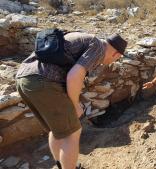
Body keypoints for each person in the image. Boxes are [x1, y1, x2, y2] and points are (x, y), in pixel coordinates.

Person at [16, 32, 127, 169]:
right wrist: (75, 105)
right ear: (117, 55)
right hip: (43, 82)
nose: (113, 62)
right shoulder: (98, 47)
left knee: (56, 130)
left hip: (24, 78)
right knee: (73, 133)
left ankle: (62, 165)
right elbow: (74, 76)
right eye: (116, 59)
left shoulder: (83, 38)